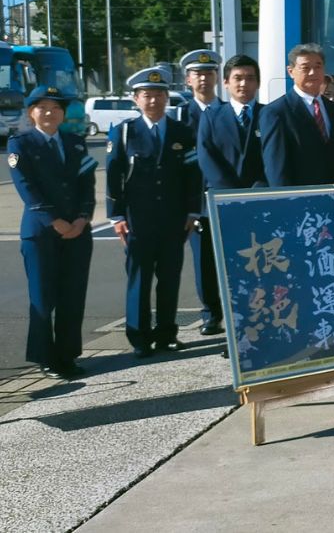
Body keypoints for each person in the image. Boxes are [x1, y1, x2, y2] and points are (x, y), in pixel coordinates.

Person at [107, 68, 201, 358]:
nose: (154, 101)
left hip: (174, 219)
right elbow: (113, 176)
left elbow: (192, 176)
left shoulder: (182, 132)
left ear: (166, 98)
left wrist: (192, 212)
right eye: (147, 95)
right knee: (139, 278)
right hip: (138, 220)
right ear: (136, 99)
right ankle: (139, 338)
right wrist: (117, 216)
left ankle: (166, 334)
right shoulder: (124, 132)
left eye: (159, 95)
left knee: (170, 278)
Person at [10, 85, 96, 379]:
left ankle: (68, 355)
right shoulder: (20, 144)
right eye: (42, 107)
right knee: (43, 298)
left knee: (73, 296)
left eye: (56, 108)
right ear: (31, 113)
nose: (50, 112)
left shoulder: (76, 142)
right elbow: (26, 188)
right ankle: (45, 358)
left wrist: (84, 218)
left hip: (78, 232)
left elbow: (87, 184)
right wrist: (54, 221)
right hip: (41, 234)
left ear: (62, 113)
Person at [259, 43, 334, 194]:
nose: (313, 72)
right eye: (305, 68)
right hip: (300, 201)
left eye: (318, 66)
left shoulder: (333, 109)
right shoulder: (276, 112)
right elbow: (276, 168)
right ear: (291, 71)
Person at [176, 48, 225, 335]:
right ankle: (211, 314)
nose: (204, 79)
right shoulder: (180, 117)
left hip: (226, 199)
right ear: (188, 80)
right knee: (204, 262)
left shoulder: (228, 111)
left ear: (217, 77)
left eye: (208, 73)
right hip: (197, 203)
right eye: (197, 74)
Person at [197, 55, 266, 195]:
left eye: (250, 78)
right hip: (222, 196)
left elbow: (276, 157)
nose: (244, 83)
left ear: (258, 83)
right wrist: (231, 192)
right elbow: (206, 157)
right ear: (226, 82)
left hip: (261, 196)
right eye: (238, 78)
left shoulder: (270, 115)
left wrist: (261, 187)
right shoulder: (211, 117)